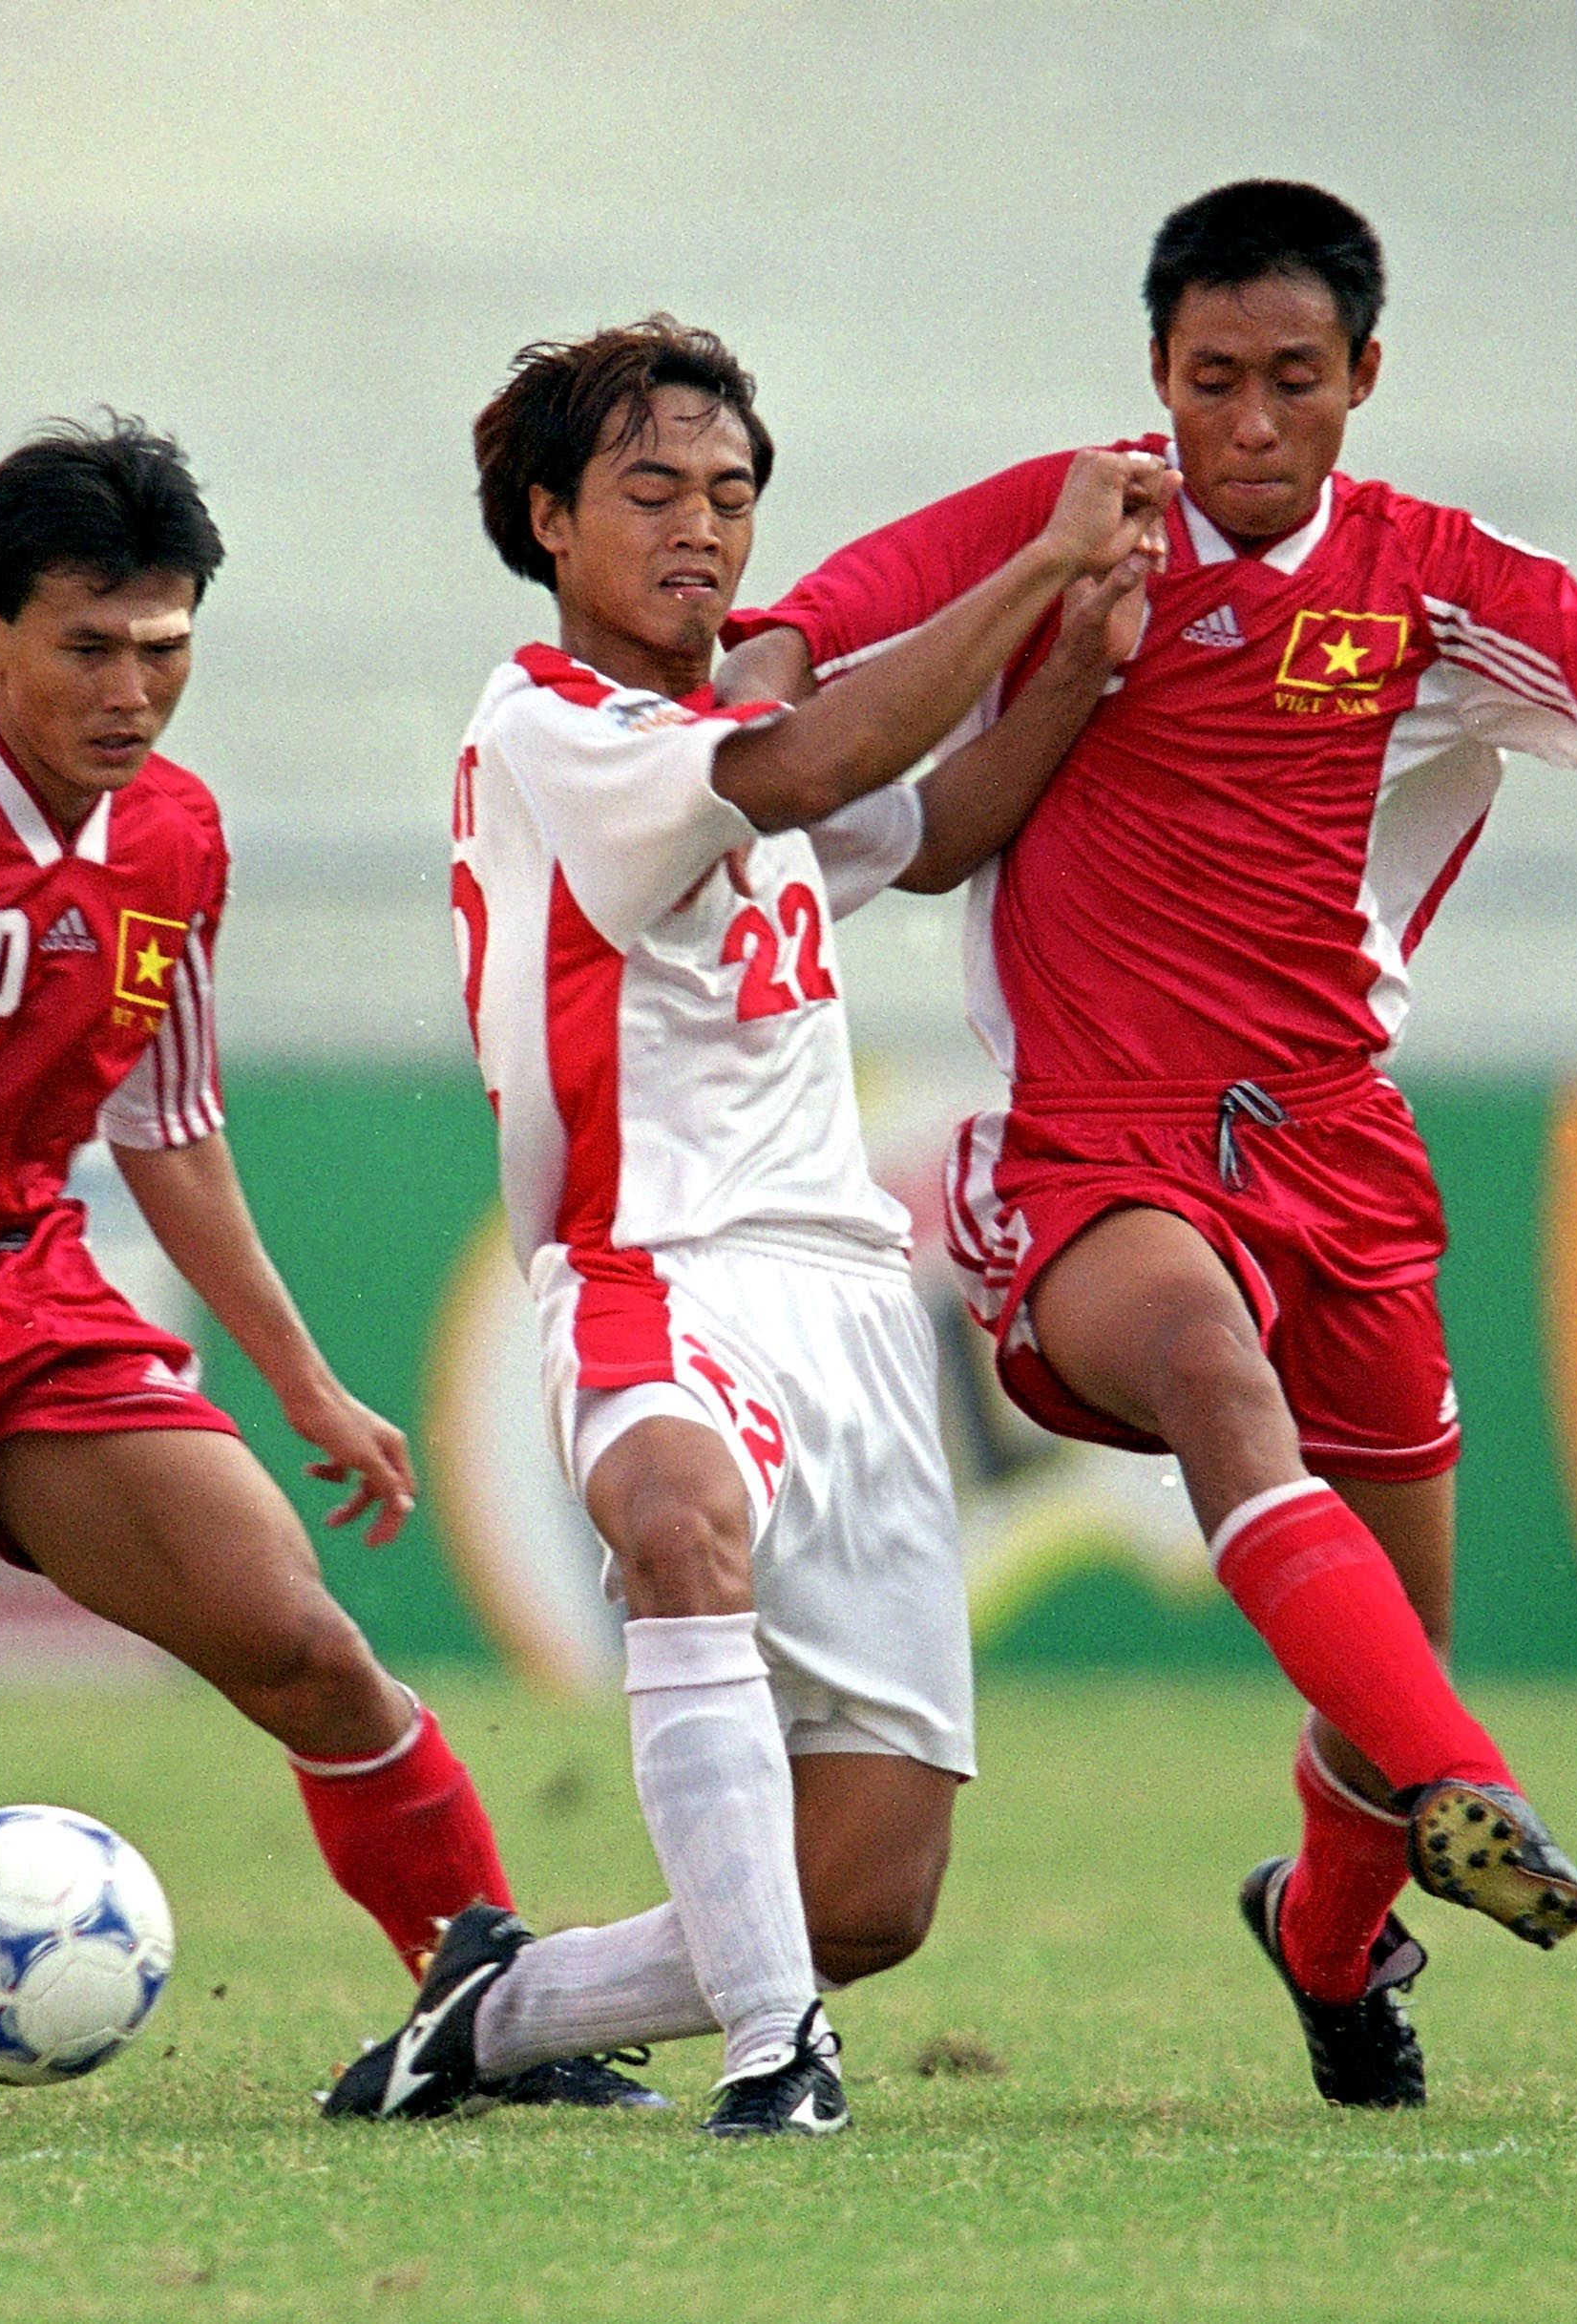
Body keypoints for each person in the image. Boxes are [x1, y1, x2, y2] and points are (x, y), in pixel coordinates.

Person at [719, 180, 1577, 2109]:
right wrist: (732, 733)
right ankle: (1469, 1779)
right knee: (1207, 1377)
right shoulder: (1071, 512)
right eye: (1209, 382)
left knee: (1389, 1625)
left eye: (1291, 380)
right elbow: (799, 624)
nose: (1247, 426)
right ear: (1155, 377)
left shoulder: (1427, 579)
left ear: (1363, 375)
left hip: (1337, 1152)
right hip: (1092, 1140)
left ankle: (1333, 1930)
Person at [0, 416, 646, 2115]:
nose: (132, 689)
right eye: (89, 645)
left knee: (305, 1644)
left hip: (23, 1280)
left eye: (166, 648)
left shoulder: (175, 842)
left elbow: (169, 1127)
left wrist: (300, 1376)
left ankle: (488, 2011)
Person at [319, 318, 1169, 2136]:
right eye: (650, 492)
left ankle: (500, 2014)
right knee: (677, 1518)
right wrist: (1037, 560)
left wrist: (1079, 669)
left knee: (869, 1892)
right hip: (656, 1268)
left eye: (730, 492)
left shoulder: (723, 735)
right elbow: (795, 773)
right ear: (547, 521)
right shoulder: (551, 728)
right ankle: (777, 2054)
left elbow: (927, 828)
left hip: (854, 1309)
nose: (701, 528)